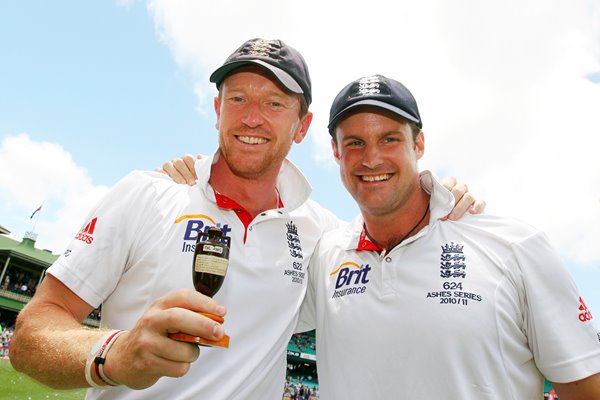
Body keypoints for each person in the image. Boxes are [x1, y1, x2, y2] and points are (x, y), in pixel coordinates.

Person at [9, 39, 479, 399]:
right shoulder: (148, 194)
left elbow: (392, 245)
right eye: (238, 99)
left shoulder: (322, 234)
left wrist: (439, 198)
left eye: (274, 104)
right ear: (216, 109)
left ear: (302, 126)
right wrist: (113, 353)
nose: (252, 118)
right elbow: (33, 334)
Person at [294, 74, 600, 399]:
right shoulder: (326, 255)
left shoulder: (515, 246)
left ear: (419, 144)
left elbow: (586, 390)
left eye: (389, 139)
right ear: (336, 152)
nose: (371, 158)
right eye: (355, 142)